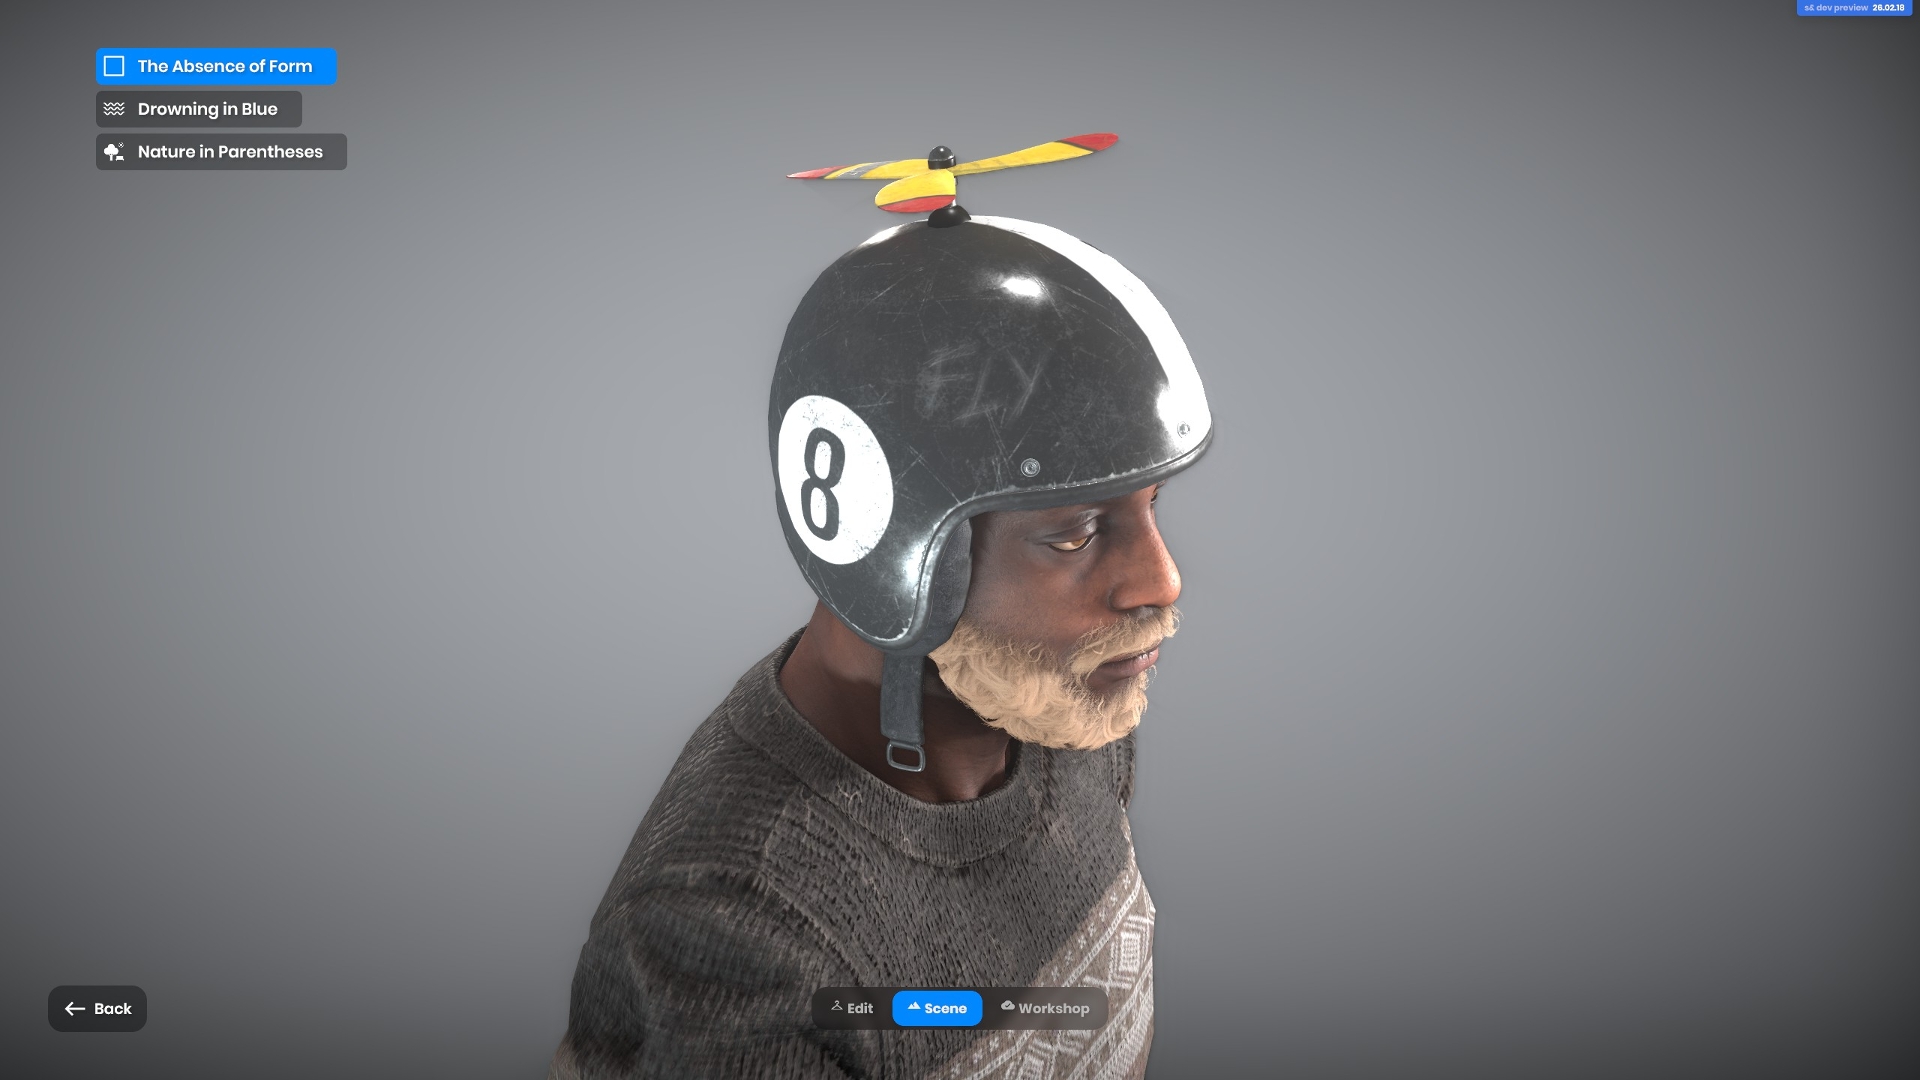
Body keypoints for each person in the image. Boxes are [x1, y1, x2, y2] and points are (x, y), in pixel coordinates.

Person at [550, 208, 1211, 1079]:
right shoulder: (736, 931)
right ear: (900, 553)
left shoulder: (1062, 704)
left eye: (1151, 505)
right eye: (1075, 533)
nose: (1161, 581)